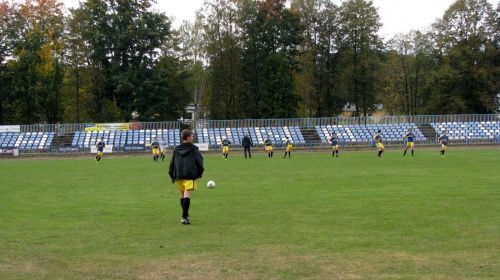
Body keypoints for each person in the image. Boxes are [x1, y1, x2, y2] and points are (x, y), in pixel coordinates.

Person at [168, 129, 204, 225]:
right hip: (189, 174)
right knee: (187, 193)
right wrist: (200, 172)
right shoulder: (194, 149)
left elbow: (172, 162)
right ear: (188, 137)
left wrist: (171, 175)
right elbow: (199, 161)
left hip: (179, 174)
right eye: (192, 136)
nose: (193, 137)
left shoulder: (176, 149)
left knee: (182, 194)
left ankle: (185, 214)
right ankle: (184, 217)